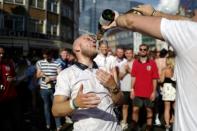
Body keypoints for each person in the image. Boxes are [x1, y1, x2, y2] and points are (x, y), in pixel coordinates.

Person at [102, 4, 197, 131]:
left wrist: (117, 19)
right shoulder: (191, 31)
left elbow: (130, 21)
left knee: (149, 113)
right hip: (137, 92)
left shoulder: (191, 34)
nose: (192, 14)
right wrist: (155, 14)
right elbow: (189, 23)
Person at [52, 34, 123, 131]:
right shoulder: (66, 74)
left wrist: (114, 87)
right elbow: (56, 110)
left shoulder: (104, 71)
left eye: (94, 40)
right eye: (88, 39)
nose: (94, 41)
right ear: (77, 48)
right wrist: (75, 103)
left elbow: (120, 101)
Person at [130, 44, 159, 131]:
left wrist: (154, 92)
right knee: (135, 110)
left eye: (144, 49)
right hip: (137, 91)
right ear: (139, 50)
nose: (142, 50)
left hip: (149, 92)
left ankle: (148, 128)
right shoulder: (135, 62)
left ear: (147, 51)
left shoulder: (152, 63)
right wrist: (132, 89)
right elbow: (133, 77)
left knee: (149, 111)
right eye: (141, 49)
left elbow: (155, 78)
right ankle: (135, 127)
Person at [36, 49, 62, 130]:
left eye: (47, 54)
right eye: (44, 54)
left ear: (51, 54)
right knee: (46, 107)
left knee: (55, 106)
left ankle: (58, 125)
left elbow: (61, 76)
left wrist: (51, 78)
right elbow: (37, 75)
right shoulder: (40, 62)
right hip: (43, 89)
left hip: (54, 88)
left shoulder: (57, 63)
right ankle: (48, 124)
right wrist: (43, 76)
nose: (45, 56)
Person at [0, 46, 22, 131]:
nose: (1, 55)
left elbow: (15, 77)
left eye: (2, 53)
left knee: (15, 120)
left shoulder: (8, 64)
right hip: (1, 99)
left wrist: (13, 79)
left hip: (12, 96)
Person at [118, 48, 134, 130]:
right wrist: (125, 72)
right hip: (124, 88)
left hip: (134, 88)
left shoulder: (136, 63)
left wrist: (129, 70)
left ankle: (135, 123)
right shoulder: (122, 64)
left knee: (135, 107)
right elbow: (120, 77)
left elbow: (138, 76)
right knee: (125, 106)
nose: (128, 54)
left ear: (132, 54)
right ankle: (124, 122)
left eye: (130, 53)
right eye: (126, 53)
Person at [159, 56, 176, 131]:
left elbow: (161, 80)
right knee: (175, 107)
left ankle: (167, 125)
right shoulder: (176, 70)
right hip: (174, 88)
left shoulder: (165, 70)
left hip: (167, 89)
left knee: (167, 108)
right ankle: (174, 120)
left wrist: (158, 80)